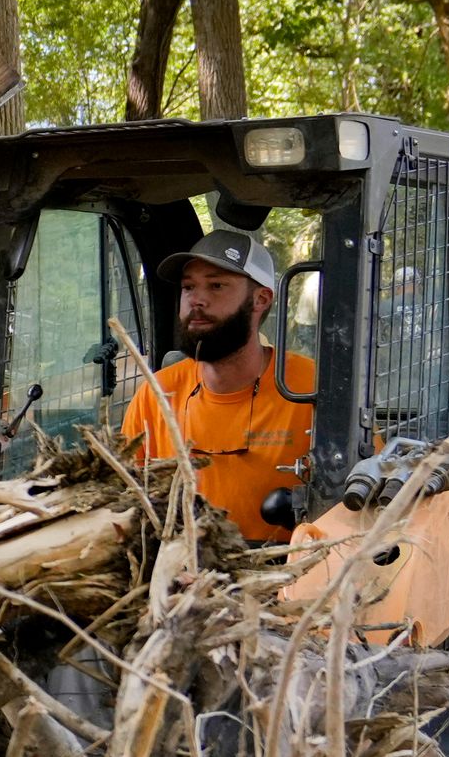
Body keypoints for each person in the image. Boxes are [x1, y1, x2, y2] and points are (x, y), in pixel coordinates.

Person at [121, 228, 315, 541]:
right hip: (182, 573)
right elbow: (123, 498)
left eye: (216, 285)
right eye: (188, 287)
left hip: (289, 576)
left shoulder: (312, 388)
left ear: (260, 299)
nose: (197, 300)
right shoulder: (157, 394)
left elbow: (356, 508)